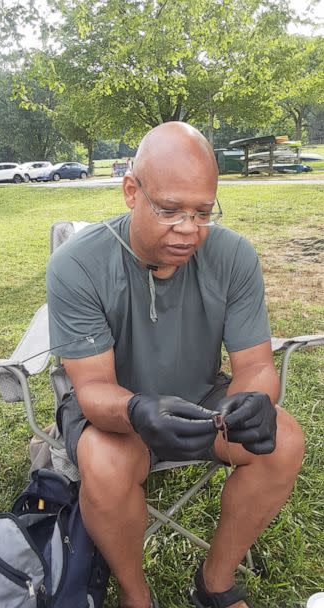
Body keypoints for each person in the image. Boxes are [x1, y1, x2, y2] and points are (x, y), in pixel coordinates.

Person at [46, 122, 305, 608]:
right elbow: (95, 388)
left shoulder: (233, 256)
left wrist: (254, 400)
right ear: (130, 191)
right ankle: (135, 595)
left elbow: (255, 365)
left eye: (202, 213)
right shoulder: (78, 265)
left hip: (201, 401)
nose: (188, 229)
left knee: (285, 441)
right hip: (119, 410)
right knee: (103, 462)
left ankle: (216, 584)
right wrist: (138, 411)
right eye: (169, 210)